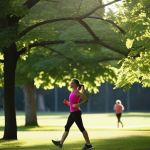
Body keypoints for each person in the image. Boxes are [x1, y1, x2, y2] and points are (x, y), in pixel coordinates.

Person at [52, 78, 93, 150]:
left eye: (72, 83)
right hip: (73, 112)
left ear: (76, 85)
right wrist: (67, 103)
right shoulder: (72, 92)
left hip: (76, 113)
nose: (70, 84)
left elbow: (86, 99)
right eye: (71, 83)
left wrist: (78, 105)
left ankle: (89, 145)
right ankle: (60, 143)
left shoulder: (77, 92)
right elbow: (72, 104)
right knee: (67, 127)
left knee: (81, 128)